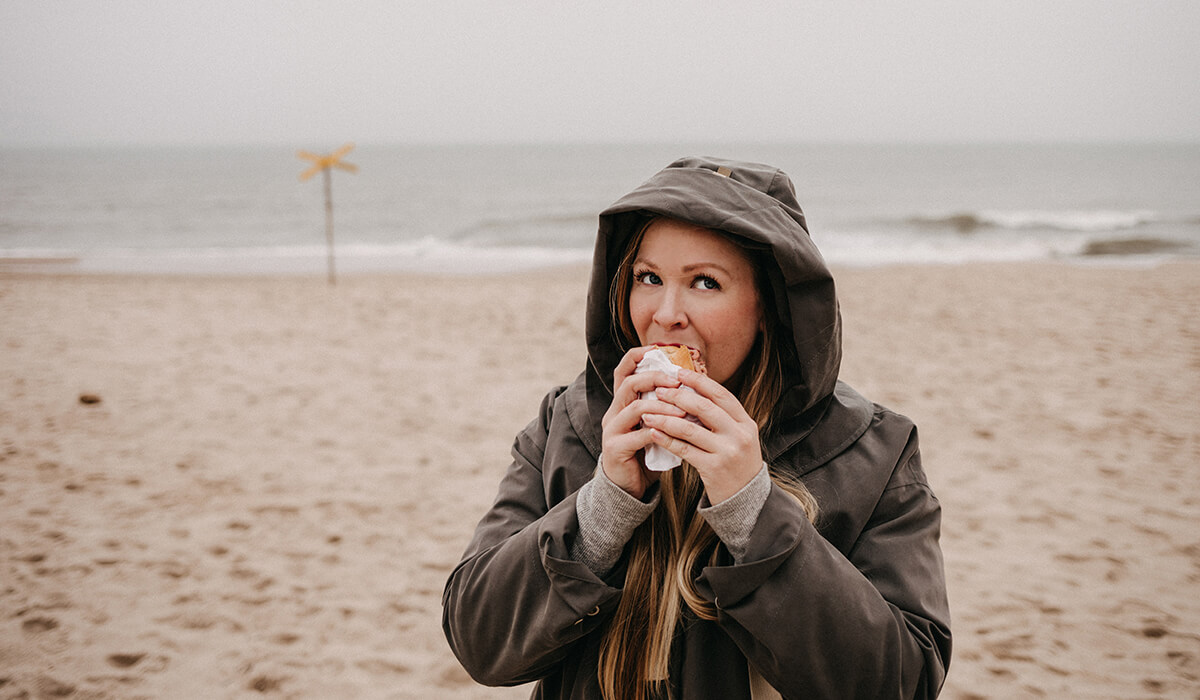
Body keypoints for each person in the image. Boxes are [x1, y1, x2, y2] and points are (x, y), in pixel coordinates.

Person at [442, 156, 951, 699]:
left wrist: (752, 510)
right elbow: (480, 642)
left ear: (769, 307)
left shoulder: (872, 452)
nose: (666, 313)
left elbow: (903, 682)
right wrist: (602, 508)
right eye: (648, 277)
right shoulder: (565, 426)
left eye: (705, 282)